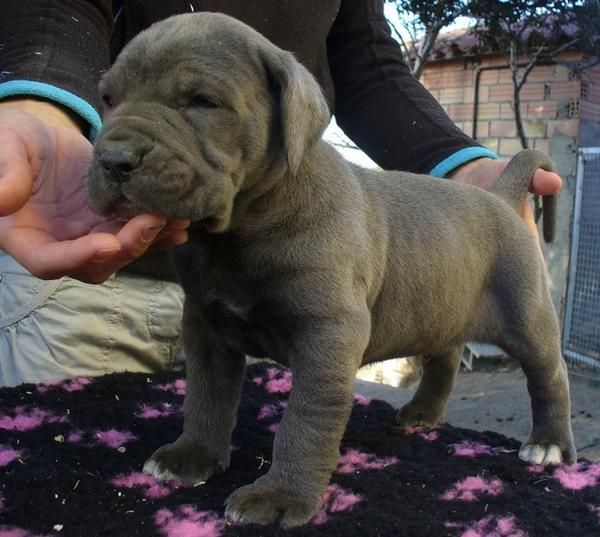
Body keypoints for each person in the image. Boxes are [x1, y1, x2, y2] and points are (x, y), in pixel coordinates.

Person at [0, 0, 562, 386]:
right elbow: (55, 7)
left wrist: (459, 168)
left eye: (200, 101)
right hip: (90, 273)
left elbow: (362, 56)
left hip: (276, 289)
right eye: (113, 101)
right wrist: (39, 106)